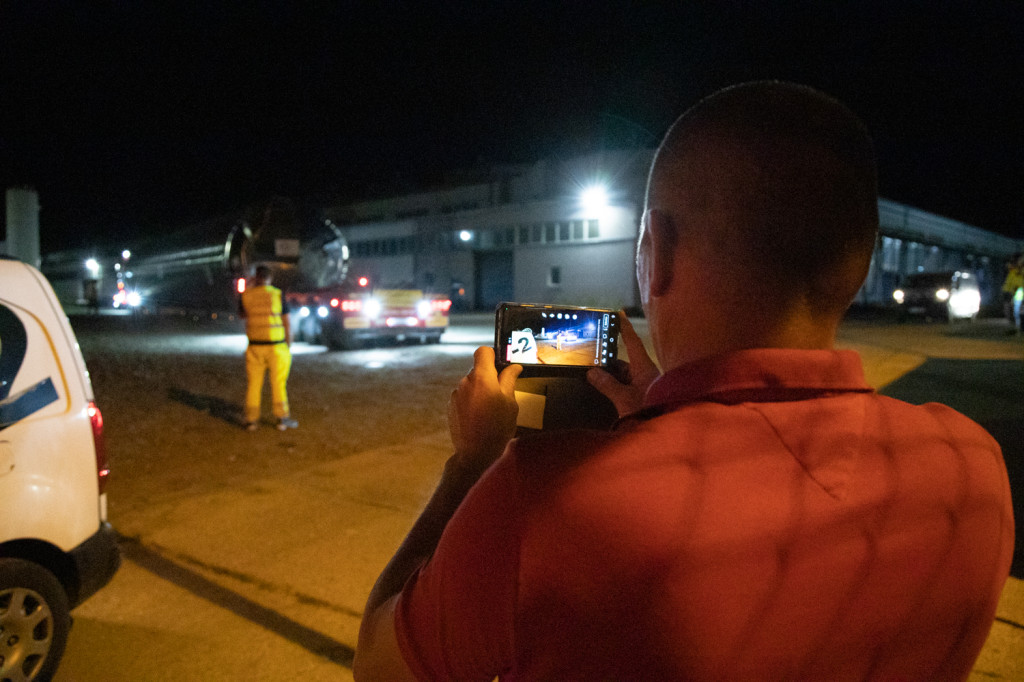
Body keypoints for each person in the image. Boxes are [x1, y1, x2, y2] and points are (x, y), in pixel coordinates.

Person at [354, 82, 1014, 681]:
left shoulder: (553, 500)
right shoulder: (971, 468)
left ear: (657, 253)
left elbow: (379, 669)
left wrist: (469, 464)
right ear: (861, 264)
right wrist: (662, 417)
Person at [239, 264, 297, 431]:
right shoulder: (278, 295)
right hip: (276, 347)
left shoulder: (247, 296)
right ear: (270, 278)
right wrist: (289, 345)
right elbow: (287, 322)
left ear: (256, 277)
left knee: (254, 384)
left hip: (255, 346)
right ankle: (282, 419)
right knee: (278, 383)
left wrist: (249, 287)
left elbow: (242, 314)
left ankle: (251, 420)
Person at [1002, 253, 1023, 333]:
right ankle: (1017, 326)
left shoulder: (1018, 271)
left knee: (1017, 309)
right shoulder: (1013, 271)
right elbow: (1009, 282)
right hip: (1012, 291)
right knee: (1013, 310)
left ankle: (1019, 327)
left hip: (1018, 291)